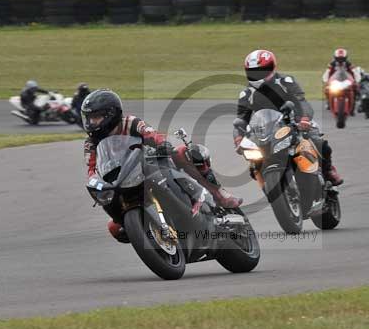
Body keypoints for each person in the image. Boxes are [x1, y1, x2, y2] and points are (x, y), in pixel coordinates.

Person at [81, 89, 243, 243]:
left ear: (110, 114)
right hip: (120, 180)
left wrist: (162, 144)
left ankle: (220, 194)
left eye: (95, 117)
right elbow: (92, 169)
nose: (90, 122)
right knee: (114, 228)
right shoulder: (90, 143)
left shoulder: (131, 123)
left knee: (183, 152)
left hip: (147, 163)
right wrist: (97, 183)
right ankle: (152, 236)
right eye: (88, 118)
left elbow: (152, 134)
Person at [235, 49, 343, 185]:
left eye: (263, 70)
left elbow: (301, 101)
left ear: (272, 67)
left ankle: (328, 170)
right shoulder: (246, 94)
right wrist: (238, 138)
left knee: (318, 141)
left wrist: (304, 118)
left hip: (293, 122)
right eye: (255, 72)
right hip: (266, 131)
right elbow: (241, 120)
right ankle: (272, 191)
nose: (259, 75)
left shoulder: (285, 81)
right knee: (254, 164)